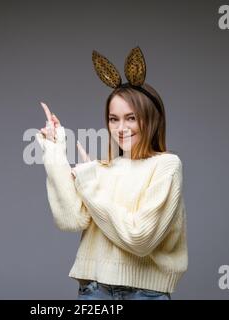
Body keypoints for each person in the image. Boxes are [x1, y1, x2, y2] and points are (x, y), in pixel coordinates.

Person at [35, 47, 187, 300]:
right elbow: (71, 220)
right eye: (113, 119)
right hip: (95, 291)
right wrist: (54, 152)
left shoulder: (167, 166)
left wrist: (89, 183)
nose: (121, 127)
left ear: (151, 119)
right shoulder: (101, 170)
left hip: (145, 294)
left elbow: (140, 238)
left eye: (131, 118)